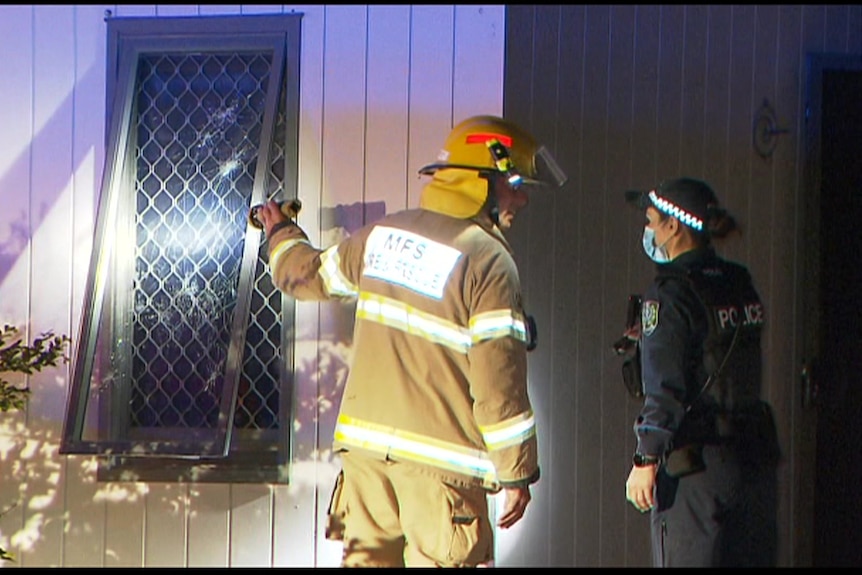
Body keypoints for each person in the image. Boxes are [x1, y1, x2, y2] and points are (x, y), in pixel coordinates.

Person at [252, 115, 567, 567]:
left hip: (367, 466)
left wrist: (280, 231)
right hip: (443, 478)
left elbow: (307, 275)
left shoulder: (383, 237)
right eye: (514, 183)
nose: (522, 197)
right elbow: (500, 383)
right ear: (481, 181)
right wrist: (517, 474)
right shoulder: (488, 260)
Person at [622, 177, 781, 567]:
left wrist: (645, 459)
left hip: (697, 469)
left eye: (651, 221)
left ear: (673, 227)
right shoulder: (738, 280)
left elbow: (666, 388)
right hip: (752, 459)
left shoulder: (670, 293)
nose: (649, 231)